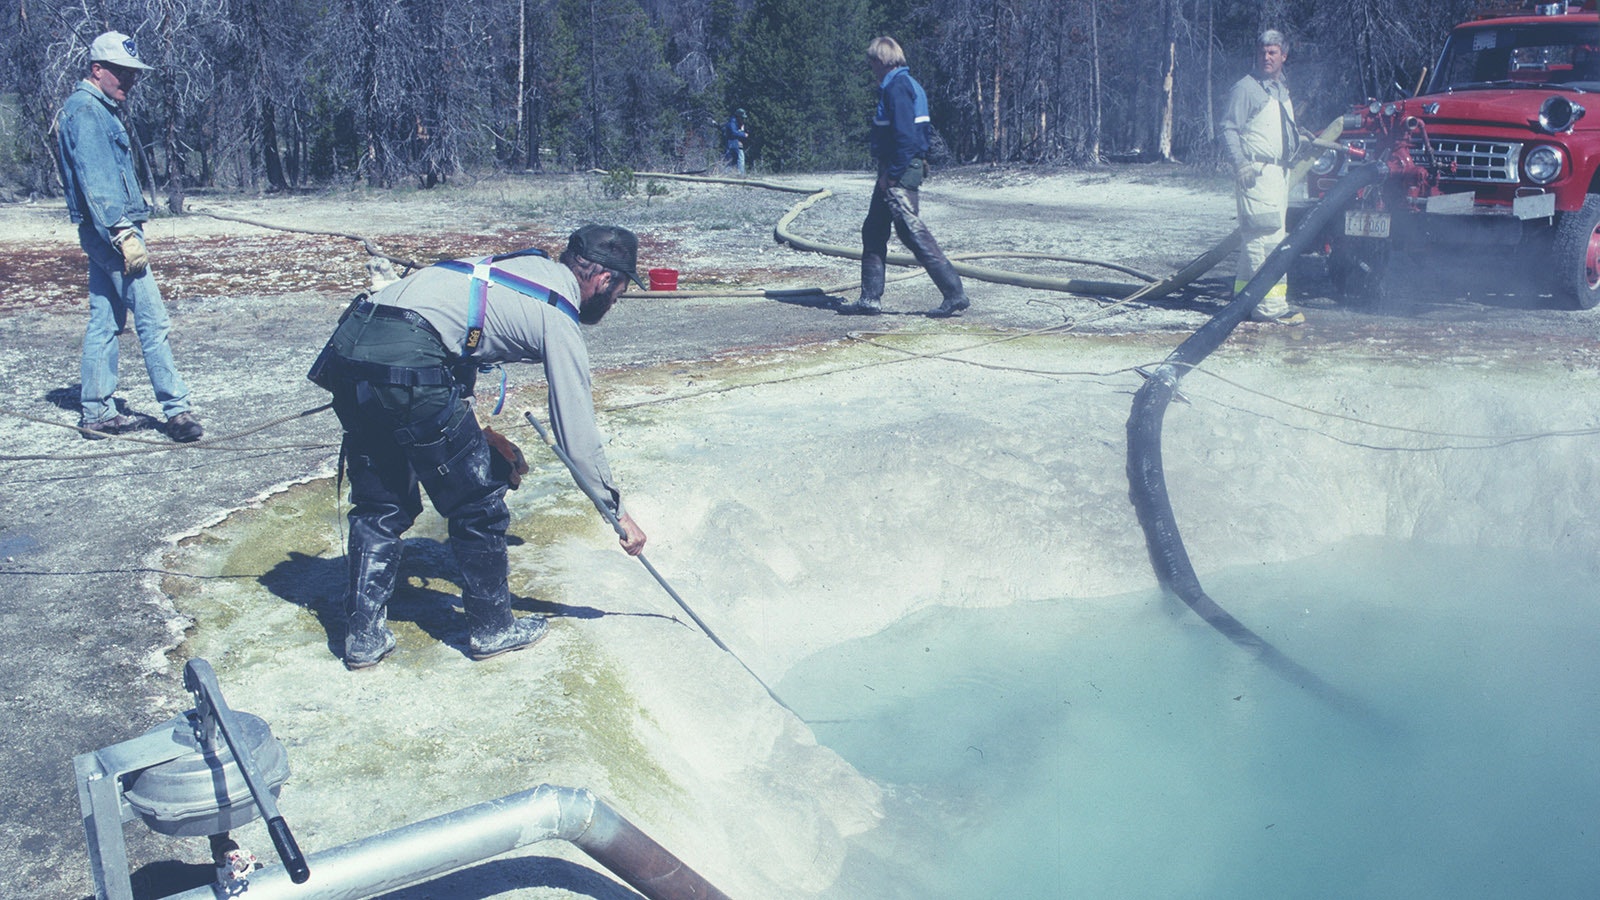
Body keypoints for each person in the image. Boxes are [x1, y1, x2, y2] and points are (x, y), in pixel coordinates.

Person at [308, 225, 650, 669]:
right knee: (478, 501)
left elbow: (455, 342)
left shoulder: (513, 268)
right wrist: (615, 510)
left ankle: (362, 638)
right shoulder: (557, 312)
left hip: (350, 349)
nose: (615, 303)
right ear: (604, 280)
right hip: (408, 360)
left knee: (381, 504)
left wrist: (478, 435)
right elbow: (576, 434)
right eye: (620, 293)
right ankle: (493, 629)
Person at [56, 31, 203, 441]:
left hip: (104, 230)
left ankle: (97, 413)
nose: (130, 80)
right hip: (114, 232)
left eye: (133, 73)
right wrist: (124, 234)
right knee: (153, 321)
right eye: (121, 72)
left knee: (104, 320)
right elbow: (97, 183)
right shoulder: (87, 112)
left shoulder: (94, 108)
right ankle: (177, 411)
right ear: (97, 69)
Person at [844, 36, 970, 318]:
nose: (871, 68)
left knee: (912, 232)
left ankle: (954, 293)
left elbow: (906, 138)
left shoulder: (897, 88)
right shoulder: (905, 84)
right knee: (874, 229)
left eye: (872, 62)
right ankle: (870, 298)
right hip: (899, 167)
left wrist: (891, 175)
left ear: (881, 60)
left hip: (899, 169)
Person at [1219, 29, 1306, 326]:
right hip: (1255, 174)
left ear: (1284, 55)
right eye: (1262, 52)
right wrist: (1240, 164)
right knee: (1264, 240)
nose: (1266, 57)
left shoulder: (1280, 90)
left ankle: (1244, 300)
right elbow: (1229, 128)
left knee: (1263, 239)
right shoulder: (1247, 88)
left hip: (1278, 174)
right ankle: (1269, 309)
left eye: (1272, 52)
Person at [722, 108, 749, 175]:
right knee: (738, 159)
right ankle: (740, 174)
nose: (743, 119)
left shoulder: (736, 123)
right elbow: (733, 133)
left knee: (733, 160)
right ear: (738, 116)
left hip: (734, 144)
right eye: (742, 118)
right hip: (733, 144)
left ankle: (732, 174)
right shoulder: (732, 123)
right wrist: (743, 134)